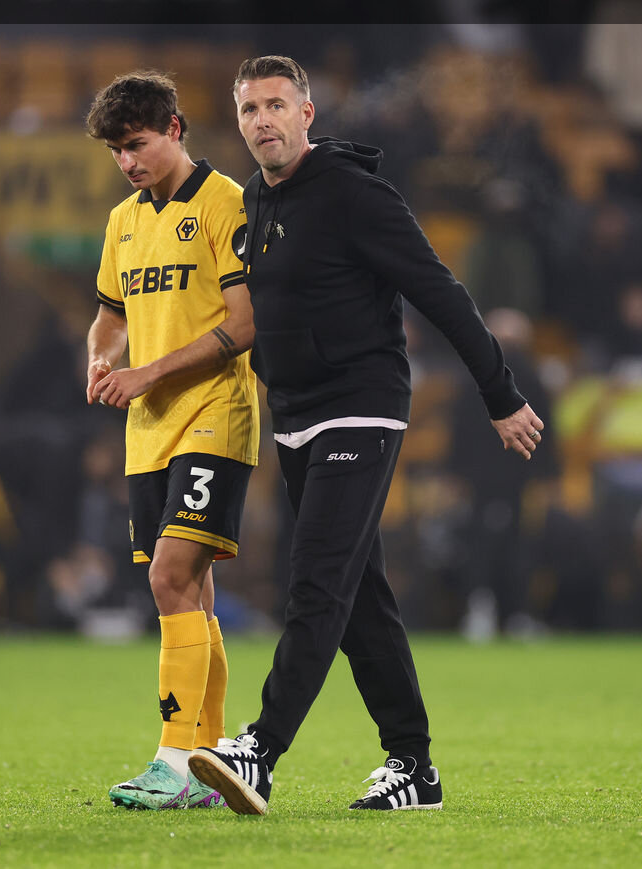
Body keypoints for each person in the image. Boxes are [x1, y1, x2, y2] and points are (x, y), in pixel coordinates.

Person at [188, 56, 543, 816]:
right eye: (249, 109)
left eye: (276, 104)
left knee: (317, 580)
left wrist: (500, 394)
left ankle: (260, 749)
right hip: (296, 418)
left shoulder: (354, 194)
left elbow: (440, 291)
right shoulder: (255, 200)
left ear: (307, 114)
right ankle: (413, 766)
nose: (262, 121)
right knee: (358, 595)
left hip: (361, 406)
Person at [82, 71, 259, 811]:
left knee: (168, 579)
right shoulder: (122, 221)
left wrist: (148, 371)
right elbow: (110, 316)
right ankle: (211, 763)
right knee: (191, 591)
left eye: (138, 144)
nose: (128, 161)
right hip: (149, 430)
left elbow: (244, 325)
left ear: (175, 129)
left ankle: (173, 759)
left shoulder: (226, 203)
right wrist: (101, 359)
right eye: (117, 151)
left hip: (215, 412)